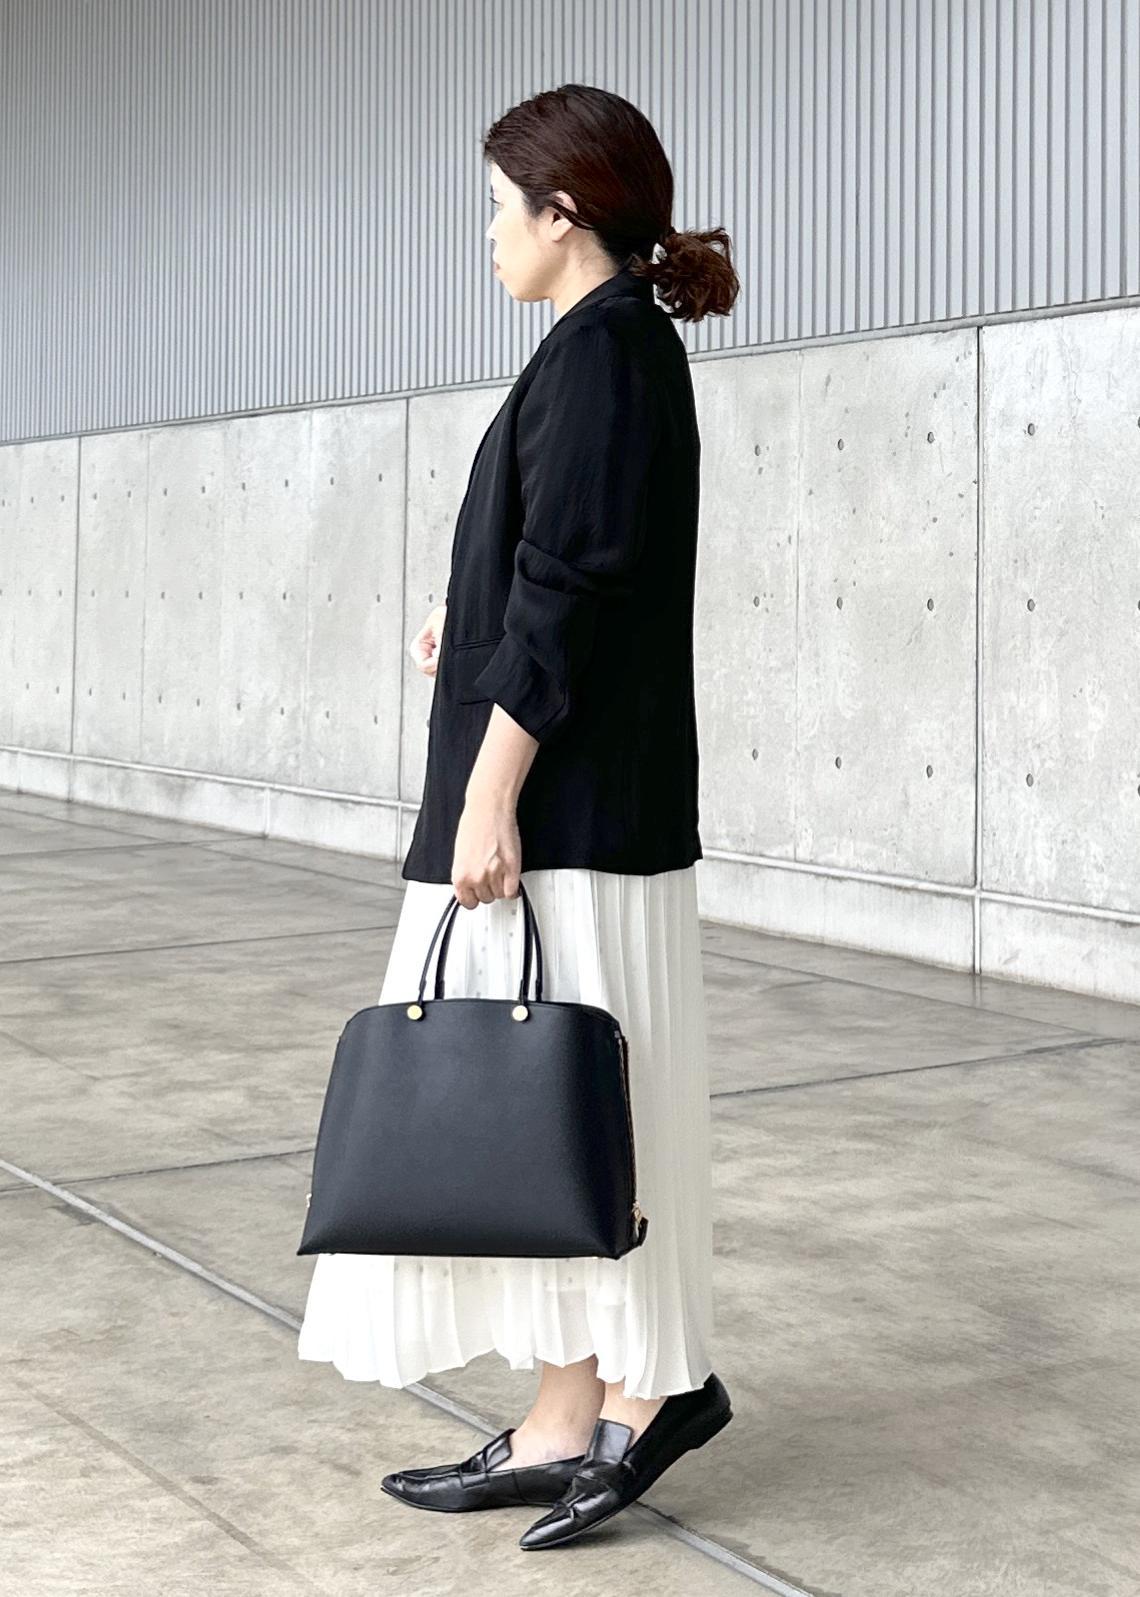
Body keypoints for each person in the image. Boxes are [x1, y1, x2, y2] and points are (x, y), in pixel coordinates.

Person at [297, 82, 740, 1550]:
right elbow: (551, 570)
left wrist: (489, 796)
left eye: (501, 207)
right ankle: (567, 1414)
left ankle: (645, 1394)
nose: (487, 234)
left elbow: (574, 590)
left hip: (569, 817)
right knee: (565, 1131)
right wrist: (467, 616)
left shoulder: (605, 356)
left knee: (583, 1119)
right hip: (578, 804)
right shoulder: (598, 348)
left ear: (566, 213)